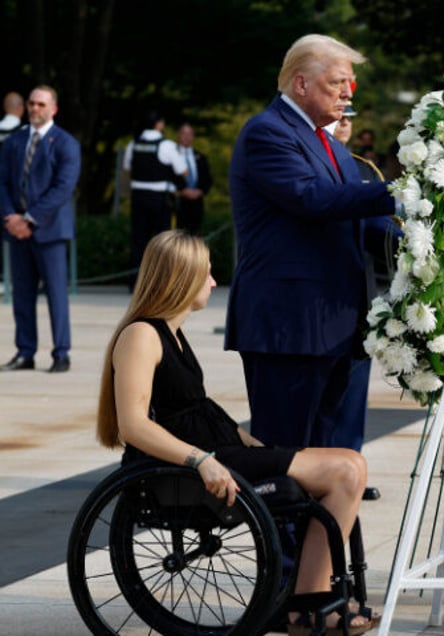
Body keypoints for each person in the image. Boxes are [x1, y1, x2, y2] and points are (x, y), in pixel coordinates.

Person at [95, 230, 375, 635]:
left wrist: (248, 442)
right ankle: (306, 606)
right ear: (181, 277)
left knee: (349, 465)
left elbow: (195, 409)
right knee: (346, 470)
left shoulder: (171, 333)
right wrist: (202, 461)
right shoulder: (141, 335)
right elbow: (134, 425)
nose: (213, 282)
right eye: (206, 274)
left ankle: (308, 599)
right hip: (192, 465)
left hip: (219, 450)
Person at [225, 34, 398, 454]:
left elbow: (361, 221)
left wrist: (428, 241)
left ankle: (318, 525)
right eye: (338, 82)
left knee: (325, 459)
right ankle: (287, 525)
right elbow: (313, 198)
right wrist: (405, 188)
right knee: (286, 458)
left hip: (331, 326)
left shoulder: (327, 143)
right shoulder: (268, 133)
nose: (347, 93)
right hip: (290, 329)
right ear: (301, 84)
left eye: (350, 83)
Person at [327, 105, 402, 492]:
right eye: (338, 115)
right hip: (321, 300)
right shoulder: (309, 162)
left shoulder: (362, 168)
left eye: (349, 117)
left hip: (358, 299)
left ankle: (349, 476)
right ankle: (320, 476)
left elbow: (381, 229)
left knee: (352, 402)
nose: (345, 123)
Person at [0, 85, 81, 373]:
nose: (35, 108)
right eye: (32, 103)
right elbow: (3, 183)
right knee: (21, 295)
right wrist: (11, 216)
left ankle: (61, 353)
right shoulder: (13, 142)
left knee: (56, 296)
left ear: (53, 108)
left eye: (41, 104)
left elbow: (62, 189)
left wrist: (30, 219)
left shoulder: (66, 143)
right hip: (16, 231)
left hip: (50, 232)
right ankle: (25, 352)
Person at [122, 110, 187, 289]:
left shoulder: (133, 143)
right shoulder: (166, 145)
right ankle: (162, 283)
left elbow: (127, 168)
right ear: (158, 124)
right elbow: (183, 171)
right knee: (164, 241)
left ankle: (135, 282)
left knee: (138, 240)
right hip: (160, 199)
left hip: (138, 197)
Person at [175, 122, 213, 235]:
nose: (187, 136)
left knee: (195, 237)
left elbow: (208, 179)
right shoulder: (172, 155)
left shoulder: (201, 157)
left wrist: (200, 191)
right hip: (178, 203)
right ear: (178, 135)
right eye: (184, 133)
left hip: (197, 204)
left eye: (190, 134)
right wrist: (182, 190)